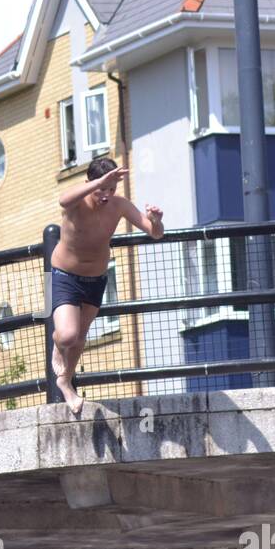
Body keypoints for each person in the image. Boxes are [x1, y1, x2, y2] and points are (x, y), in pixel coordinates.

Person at [50, 155, 164, 414]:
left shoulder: (119, 205)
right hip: (65, 275)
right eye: (102, 189)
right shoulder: (77, 204)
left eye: (111, 190)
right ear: (90, 183)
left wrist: (156, 220)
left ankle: (65, 382)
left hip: (96, 278)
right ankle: (57, 344)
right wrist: (98, 183)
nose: (106, 195)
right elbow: (62, 199)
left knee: (80, 336)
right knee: (67, 335)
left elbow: (155, 233)